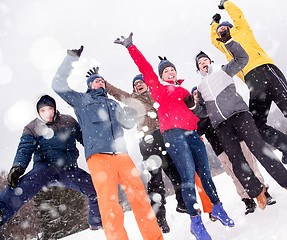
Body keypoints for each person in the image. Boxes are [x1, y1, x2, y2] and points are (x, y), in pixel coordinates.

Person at [115, 32, 234, 240]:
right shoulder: (158, 89)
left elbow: (195, 114)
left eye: (172, 69)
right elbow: (146, 69)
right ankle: (196, 222)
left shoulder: (183, 91)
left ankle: (217, 207)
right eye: (166, 70)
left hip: (193, 135)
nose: (170, 72)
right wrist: (131, 47)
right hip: (173, 135)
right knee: (187, 177)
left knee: (205, 174)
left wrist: (195, 106)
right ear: (161, 76)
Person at [52, 46, 163, 240]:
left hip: (122, 155)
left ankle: (155, 237)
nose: (100, 82)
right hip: (99, 158)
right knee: (109, 204)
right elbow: (58, 84)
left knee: (140, 199)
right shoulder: (81, 100)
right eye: (96, 80)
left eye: (102, 80)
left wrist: (130, 114)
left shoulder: (113, 104)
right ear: (89, 85)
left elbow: (128, 125)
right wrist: (70, 59)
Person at [186, 29, 287, 212]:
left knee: (260, 150)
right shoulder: (200, 87)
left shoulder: (223, 70)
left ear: (211, 61)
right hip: (222, 126)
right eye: (199, 62)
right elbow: (204, 112)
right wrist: (193, 106)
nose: (203, 62)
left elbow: (242, 59)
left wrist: (229, 41)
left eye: (205, 59)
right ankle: (257, 193)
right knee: (237, 162)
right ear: (198, 68)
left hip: (240, 116)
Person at [211, 0, 287, 164]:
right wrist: (214, 24)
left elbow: (238, 15)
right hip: (253, 83)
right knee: (256, 125)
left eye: (224, 28)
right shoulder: (225, 46)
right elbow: (214, 39)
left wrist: (226, 3)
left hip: (266, 70)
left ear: (232, 27)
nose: (222, 31)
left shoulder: (243, 31)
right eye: (220, 31)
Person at [0, 95, 102, 230]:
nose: (47, 113)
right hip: (46, 168)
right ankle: (2, 210)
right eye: (43, 111)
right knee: (19, 188)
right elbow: (24, 150)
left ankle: (97, 222)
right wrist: (18, 167)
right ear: (38, 112)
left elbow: (85, 139)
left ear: (54, 108)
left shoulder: (68, 121)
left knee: (96, 188)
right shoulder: (32, 128)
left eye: (49, 109)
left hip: (69, 169)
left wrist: (99, 150)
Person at [105, 73, 188, 233]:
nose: (138, 85)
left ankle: (182, 203)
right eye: (135, 84)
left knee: (176, 172)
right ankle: (160, 217)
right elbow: (116, 92)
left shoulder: (156, 94)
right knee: (155, 181)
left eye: (140, 82)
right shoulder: (132, 99)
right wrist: (104, 82)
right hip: (147, 141)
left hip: (165, 136)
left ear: (146, 84)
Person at [192, 87, 276, 215]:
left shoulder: (215, 103)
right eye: (194, 94)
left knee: (251, 166)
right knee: (235, 174)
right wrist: (207, 118)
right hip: (220, 148)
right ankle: (247, 200)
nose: (197, 96)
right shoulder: (196, 115)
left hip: (237, 140)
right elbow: (199, 130)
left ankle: (264, 191)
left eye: (199, 93)